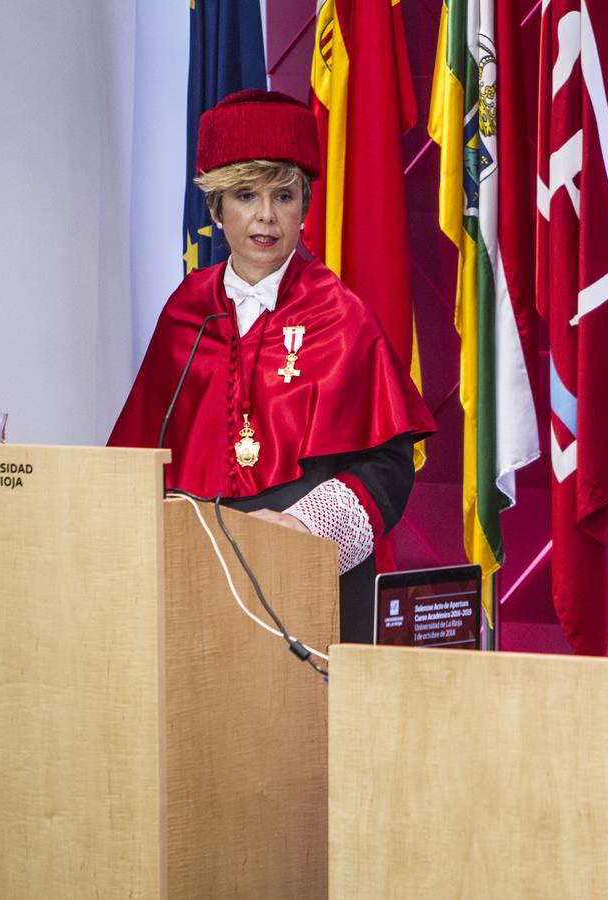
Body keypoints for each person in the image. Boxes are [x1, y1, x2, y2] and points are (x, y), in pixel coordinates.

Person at [109, 90, 435, 642]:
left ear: (304, 205)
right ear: (216, 208)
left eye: (283, 195)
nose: (265, 216)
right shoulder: (187, 311)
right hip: (201, 582)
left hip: (312, 583)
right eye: (244, 195)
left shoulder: (340, 312)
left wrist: (301, 528)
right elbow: (141, 460)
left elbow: (389, 466)